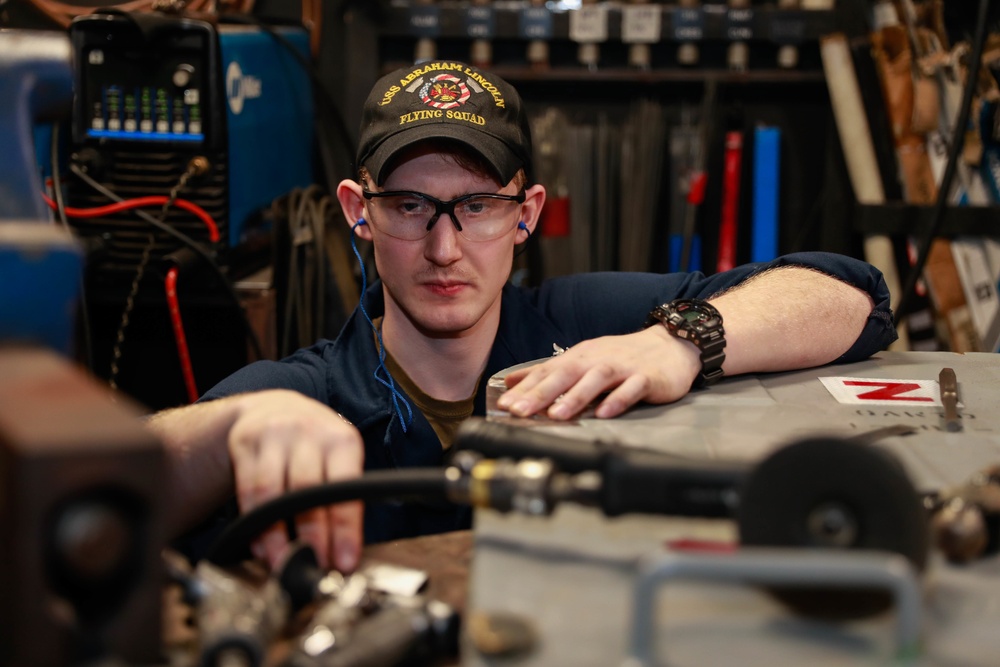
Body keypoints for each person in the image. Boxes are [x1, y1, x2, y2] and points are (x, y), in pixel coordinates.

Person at [148, 60, 897, 575]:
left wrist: (683, 340)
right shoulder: (303, 396)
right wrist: (227, 432)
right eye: (410, 207)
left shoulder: (586, 324)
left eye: (477, 207)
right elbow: (100, 492)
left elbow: (853, 296)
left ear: (526, 214)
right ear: (358, 212)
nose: (445, 248)